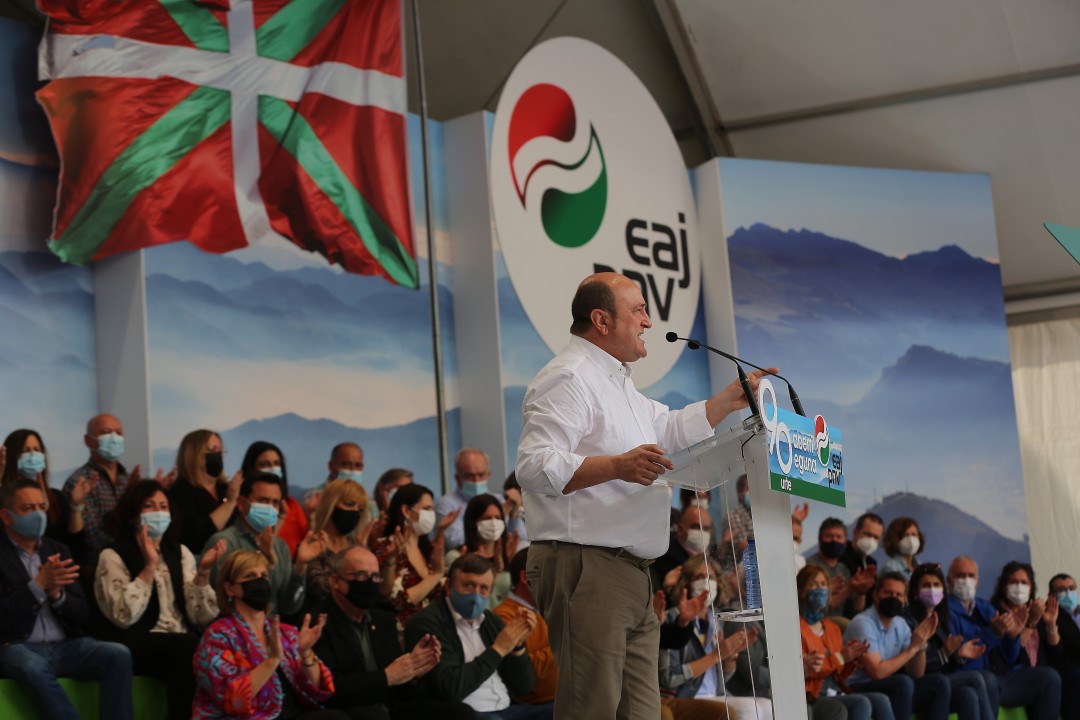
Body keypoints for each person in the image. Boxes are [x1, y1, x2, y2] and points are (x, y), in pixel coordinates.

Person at [516, 272, 772, 719]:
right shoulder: (568, 378)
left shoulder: (617, 383)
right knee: (590, 710)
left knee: (642, 713)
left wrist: (727, 401)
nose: (649, 322)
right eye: (638, 310)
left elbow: (666, 428)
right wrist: (617, 466)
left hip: (633, 572)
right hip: (586, 566)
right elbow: (534, 465)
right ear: (602, 320)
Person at [0, 478, 133, 720]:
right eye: (28, 508)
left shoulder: (58, 550)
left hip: (65, 645)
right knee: (32, 666)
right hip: (18, 646)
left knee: (117, 654)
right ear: (6, 517)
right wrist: (38, 586)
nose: (38, 514)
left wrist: (57, 595)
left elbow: (81, 614)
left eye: (42, 507)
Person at [95, 479, 223, 720]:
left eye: (163, 507)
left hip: (181, 638)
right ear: (133, 516)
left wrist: (203, 573)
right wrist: (148, 567)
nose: (158, 513)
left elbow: (202, 616)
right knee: (188, 647)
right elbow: (122, 616)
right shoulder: (113, 555)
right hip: (138, 641)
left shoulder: (180, 552)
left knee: (215, 645)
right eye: (149, 506)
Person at [314, 546, 475, 720]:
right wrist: (387, 676)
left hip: (391, 708)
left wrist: (413, 672)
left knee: (460, 712)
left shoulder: (383, 620)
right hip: (350, 711)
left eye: (375, 576)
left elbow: (401, 691)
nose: (370, 583)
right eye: (361, 575)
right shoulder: (316, 624)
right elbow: (329, 689)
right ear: (335, 581)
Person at [192, 549, 342, 720]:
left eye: (264, 576)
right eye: (250, 576)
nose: (260, 581)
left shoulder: (286, 632)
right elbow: (231, 700)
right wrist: (272, 660)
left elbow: (317, 689)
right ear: (229, 588)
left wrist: (305, 652)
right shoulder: (217, 636)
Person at [403, 553, 547, 719]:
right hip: (465, 713)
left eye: (483, 588)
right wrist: (498, 649)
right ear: (448, 587)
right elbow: (449, 689)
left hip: (508, 708)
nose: (476, 595)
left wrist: (517, 645)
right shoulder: (427, 624)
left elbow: (523, 686)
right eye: (469, 585)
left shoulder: (491, 621)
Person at [945, 555, 1061, 720]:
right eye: (960, 575)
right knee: (987, 679)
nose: (966, 580)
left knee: (1049, 677)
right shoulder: (943, 611)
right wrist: (992, 633)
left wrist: (1012, 636)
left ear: (977, 582)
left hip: (999, 677)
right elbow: (962, 655)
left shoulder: (985, 608)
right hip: (967, 677)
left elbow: (1009, 659)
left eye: (970, 576)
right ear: (948, 581)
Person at [658, 554, 770, 719]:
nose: (706, 582)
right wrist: (715, 656)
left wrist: (730, 658)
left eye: (710, 577)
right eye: (699, 577)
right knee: (750, 710)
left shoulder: (716, 620)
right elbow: (668, 677)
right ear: (686, 583)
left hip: (715, 695)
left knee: (767, 707)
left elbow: (721, 680)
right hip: (686, 697)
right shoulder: (672, 619)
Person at [203, 472, 321, 617]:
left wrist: (300, 566)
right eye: (263, 501)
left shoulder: (280, 546)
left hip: (272, 628)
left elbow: (289, 607)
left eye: (275, 503)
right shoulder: (223, 543)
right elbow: (217, 604)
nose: (270, 508)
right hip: (233, 627)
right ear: (241, 504)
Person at [843, 571, 952, 720]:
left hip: (888, 686)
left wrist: (921, 645)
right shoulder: (863, 623)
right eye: (888, 593)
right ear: (875, 595)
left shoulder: (901, 624)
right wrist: (912, 648)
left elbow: (916, 673)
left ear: (905, 599)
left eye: (898, 595)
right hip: (856, 687)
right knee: (902, 682)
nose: (893, 598)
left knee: (939, 682)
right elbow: (877, 673)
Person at [903, 562, 998, 720]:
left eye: (936, 585)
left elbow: (944, 661)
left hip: (941, 682)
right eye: (926, 585)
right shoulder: (908, 619)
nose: (932, 589)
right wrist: (944, 653)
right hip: (921, 684)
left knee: (968, 694)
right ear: (915, 591)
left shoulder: (939, 618)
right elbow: (917, 667)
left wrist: (958, 654)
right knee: (975, 678)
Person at [797, 565, 891, 720]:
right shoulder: (795, 628)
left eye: (823, 584)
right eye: (813, 584)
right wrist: (840, 658)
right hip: (811, 695)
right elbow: (809, 670)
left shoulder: (832, 628)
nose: (820, 589)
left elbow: (838, 674)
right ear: (801, 591)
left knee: (881, 700)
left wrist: (851, 661)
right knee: (861, 703)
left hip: (835, 690)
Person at [370, 483, 454, 630]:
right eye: (426, 509)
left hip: (435, 631)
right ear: (406, 511)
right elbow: (395, 601)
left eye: (432, 509)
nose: (431, 515)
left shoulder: (428, 550)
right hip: (401, 635)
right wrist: (435, 575)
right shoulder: (384, 547)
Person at [63, 414, 140, 556]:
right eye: (106, 432)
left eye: (118, 433)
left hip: (134, 557)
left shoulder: (128, 479)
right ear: (88, 441)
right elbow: (93, 538)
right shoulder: (79, 482)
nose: (114, 438)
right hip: (99, 561)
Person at [2, 429, 89, 553]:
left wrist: (76, 507)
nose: (33, 455)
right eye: (25, 451)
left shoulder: (56, 497)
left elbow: (75, 544)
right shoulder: (4, 498)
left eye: (37, 450)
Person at [494, 549, 557, 706]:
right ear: (525, 577)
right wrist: (567, 645)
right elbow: (525, 671)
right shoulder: (505, 615)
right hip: (539, 705)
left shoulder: (551, 608)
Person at [168, 429, 242, 555]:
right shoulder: (181, 491)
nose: (218, 455)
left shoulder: (224, 489)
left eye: (220, 451)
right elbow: (196, 537)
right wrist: (229, 503)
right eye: (212, 450)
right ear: (193, 454)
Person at [437, 449, 522, 552]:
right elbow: (456, 541)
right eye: (470, 476)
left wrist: (514, 511)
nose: (476, 480)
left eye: (481, 475)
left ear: (488, 475)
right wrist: (501, 512)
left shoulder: (499, 499)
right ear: (457, 478)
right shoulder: (447, 503)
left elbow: (519, 537)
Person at [303, 478, 369, 609]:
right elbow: (319, 589)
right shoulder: (310, 546)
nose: (355, 512)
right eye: (349, 504)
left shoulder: (356, 545)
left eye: (360, 509)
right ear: (331, 504)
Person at [446, 493, 516, 609]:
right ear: (473, 522)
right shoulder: (456, 557)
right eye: (486, 518)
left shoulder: (507, 556)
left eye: (498, 518)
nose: (493, 523)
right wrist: (496, 571)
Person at [241, 441, 308, 556]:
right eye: (265, 464)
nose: (273, 469)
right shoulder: (248, 507)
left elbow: (306, 539)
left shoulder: (292, 504)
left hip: (289, 564)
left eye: (277, 463)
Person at [807, 518, 875, 621]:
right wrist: (849, 589)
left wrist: (861, 591)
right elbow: (817, 607)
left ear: (845, 542)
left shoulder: (843, 569)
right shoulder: (810, 565)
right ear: (820, 541)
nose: (834, 540)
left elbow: (857, 608)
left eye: (839, 537)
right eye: (829, 536)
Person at [653, 505, 714, 591]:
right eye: (696, 527)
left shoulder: (712, 556)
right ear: (680, 529)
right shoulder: (668, 559)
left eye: (706, 528)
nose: (702, 532)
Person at [1047, 573, 1080, 719]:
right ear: (1051, 595)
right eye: (1061, 590)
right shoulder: (1049, 617)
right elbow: (1058, 653)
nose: (1068, 593)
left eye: (1071, 588)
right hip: (1068, 666)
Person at [839, 513, 883, 614]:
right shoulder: (840, 556)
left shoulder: (871, 563)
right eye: (867, 534)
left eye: (876, 537)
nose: (871, 540)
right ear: (855, 532)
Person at [369, 468, 414, 541]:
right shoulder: (367, 508)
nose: (403, 493)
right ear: (382, 488)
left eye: (407, 489)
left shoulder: (408, 518)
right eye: (399, 487)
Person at [878, 517, 924, 581]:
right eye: (906, 535)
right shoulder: (890, 568)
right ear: (894, 539)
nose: (911, 539)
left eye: (914, 535)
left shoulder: (921, 567)